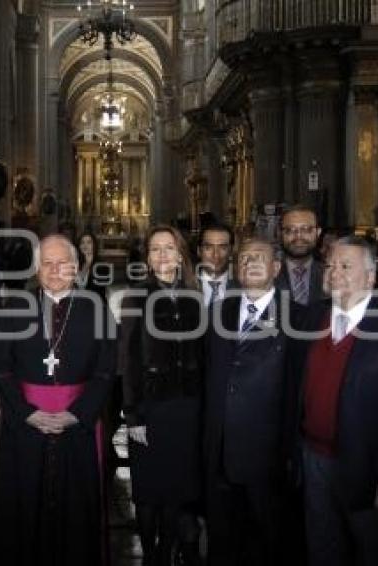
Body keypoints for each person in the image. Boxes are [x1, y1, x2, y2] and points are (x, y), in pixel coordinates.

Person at [291, 236, 378, 566]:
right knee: (322, 549)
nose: (335, 272)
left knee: (372, 552)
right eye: (331, 265)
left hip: (369, 468)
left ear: (370, 277)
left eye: (346, 266)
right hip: (314, 461)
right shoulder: (311, 318)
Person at [0, 234, 116, 566]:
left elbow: (106, 371)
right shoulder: (17, 306)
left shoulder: (95, 308)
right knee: (23, 502)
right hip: (26, 425)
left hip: (77, 425)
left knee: (76, 508)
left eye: (63, 263)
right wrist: (24, 412)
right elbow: (1, 368)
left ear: (76, 268)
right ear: (36, 267)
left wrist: (78, 413)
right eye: (47, 263)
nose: (55, 269)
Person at [204, 236, 297, 565]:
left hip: (267, 457)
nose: (250, 263)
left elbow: (297, 392)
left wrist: (290, 454)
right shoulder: (217, 313)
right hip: (218, 454)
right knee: (222, 545)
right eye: (244, 258)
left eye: (259, 258)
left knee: (268, 545)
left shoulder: (297, 318)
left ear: (276, 267)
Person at [120, 225, 204, 566]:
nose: (163, 255)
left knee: (176, 490)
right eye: (155, 249)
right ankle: (152, 555)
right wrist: (132, 414)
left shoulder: (194, 296)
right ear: (148, 258)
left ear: (180, 253)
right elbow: (127, 360)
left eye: (169, 248)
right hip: (151, 409)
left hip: (186, 408)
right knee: (148, 492)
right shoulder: (136, 297)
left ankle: (168, 550)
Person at [275, 204, 326, 305]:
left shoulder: (331, 275)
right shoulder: (268, 275)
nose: (298, 236)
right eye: (290, 230)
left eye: (306, 229)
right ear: (280, 234)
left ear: (318, 232)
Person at [196, 222, 234, 309]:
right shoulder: (185, 285)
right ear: (199, 251)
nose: (216, 255)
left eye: (222, 248)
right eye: (208, 248)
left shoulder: (242, 288)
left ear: (231, 251)